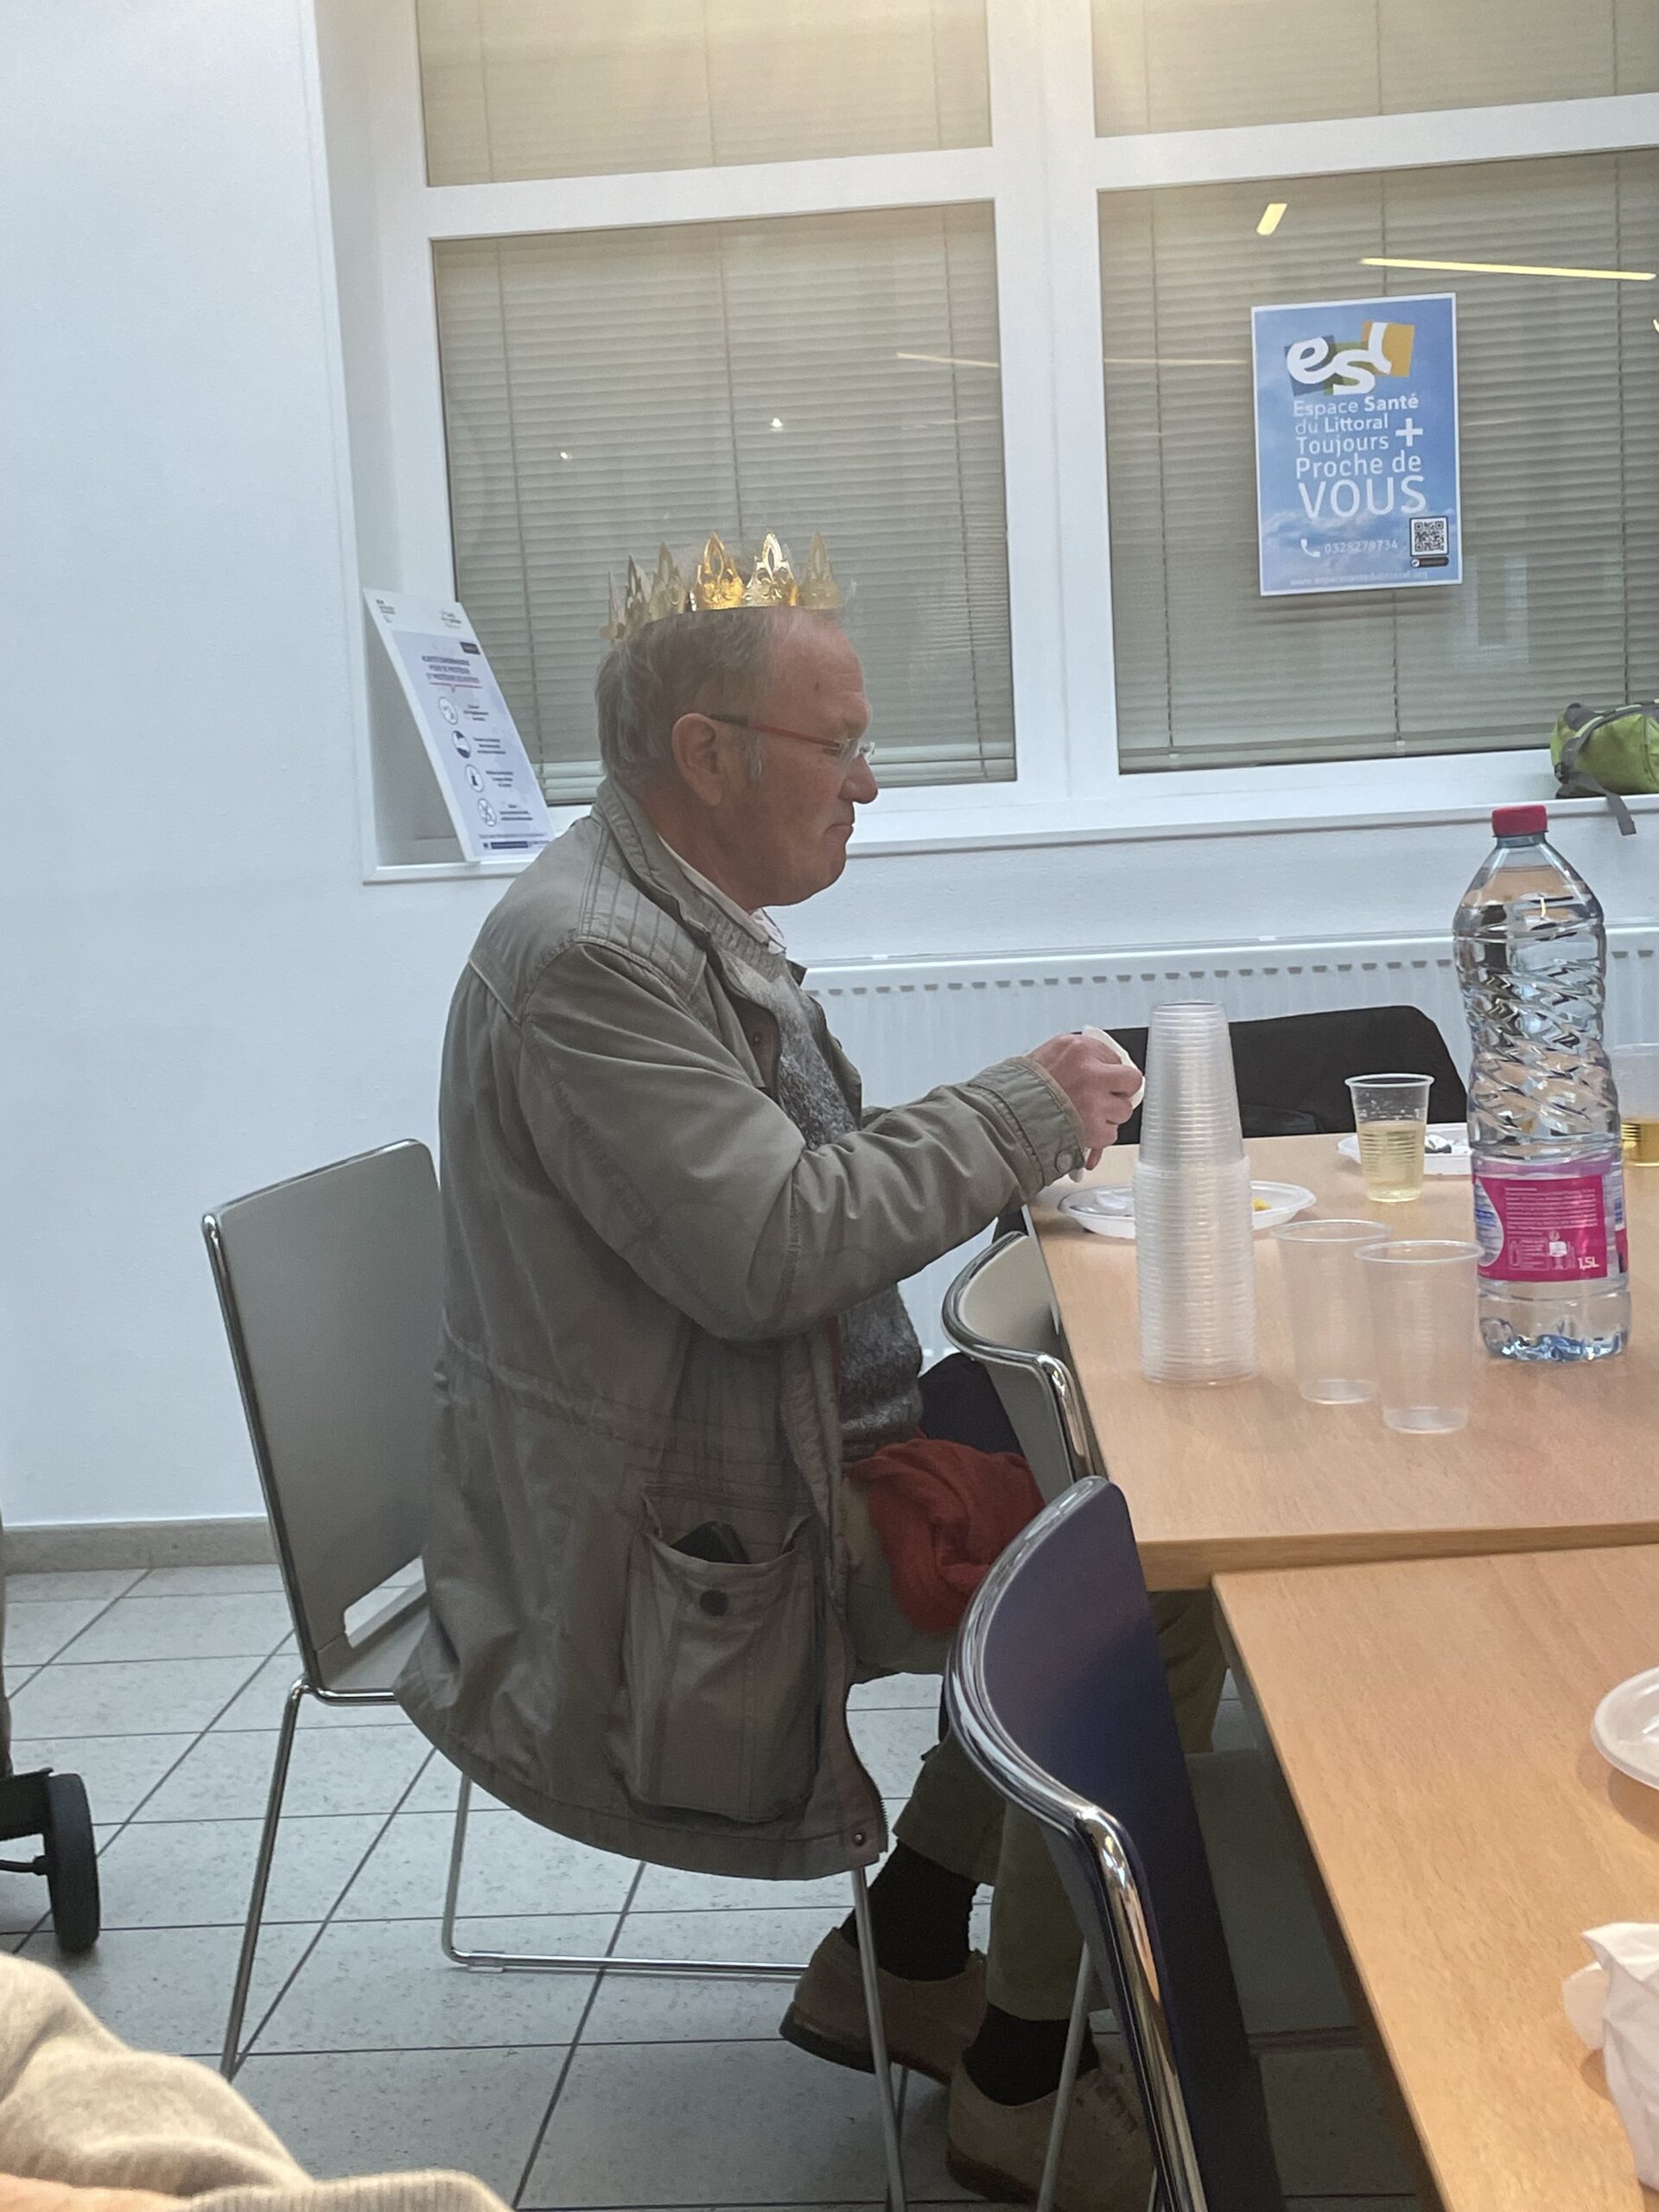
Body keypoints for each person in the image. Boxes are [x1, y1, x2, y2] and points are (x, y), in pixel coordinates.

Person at [398, 603, 1223, 2212]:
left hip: (762, 1457)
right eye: (837, 743)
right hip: (690, 1538)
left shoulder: (668, 913)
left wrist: (1008, 1115)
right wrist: (1020, 1113)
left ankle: (903, 1946)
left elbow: (785, 1181)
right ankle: (1022, 2085)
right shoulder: (591, 960)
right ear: (707, 754)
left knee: (1089, 1497)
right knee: (1146, 1594)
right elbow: (774, 1246)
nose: (868, 781)